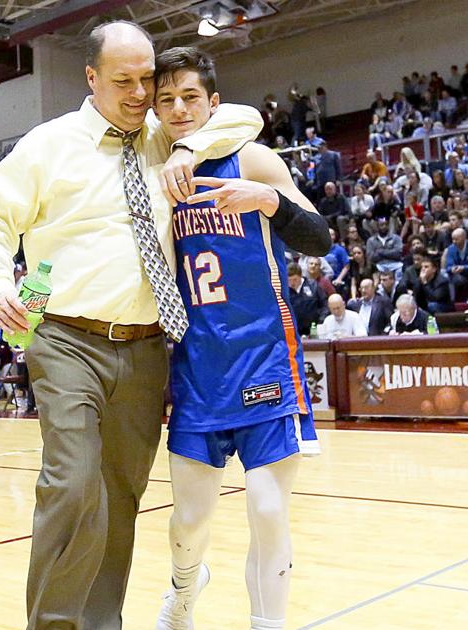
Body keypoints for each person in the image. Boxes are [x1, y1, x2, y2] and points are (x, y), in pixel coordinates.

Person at [0, 23, 263, 629]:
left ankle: (102, 624)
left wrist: (185, 149)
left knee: (121, 496)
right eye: (122, 81)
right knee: (72, 484)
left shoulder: (165, 135)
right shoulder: (48, 146)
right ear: (91, 77)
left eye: (146, 79)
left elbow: (245, 118)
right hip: (66, 338)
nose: (137, 93)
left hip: (149, 345)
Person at [146, 48, 331, 630]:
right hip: (197, 367)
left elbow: (320, 237)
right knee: (187, 524)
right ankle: (184, 586)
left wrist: (269, 201)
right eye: (167, 99)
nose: (179, 109)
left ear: (213, 103)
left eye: (191, 97)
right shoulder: (154, 169)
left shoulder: (251, 156)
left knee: (268, 508)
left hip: (264, 358)